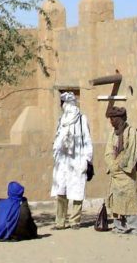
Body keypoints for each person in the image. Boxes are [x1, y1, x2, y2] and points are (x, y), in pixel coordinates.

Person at [51, 91, 93, 229]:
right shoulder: (61, 120)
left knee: (76, 190)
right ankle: (60, 221)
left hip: (77, 160)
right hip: (63, 161)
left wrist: (88, 159)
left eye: (63, 103)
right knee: (61, 191)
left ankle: (75, 221)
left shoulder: (82, 119)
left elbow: (87, 140)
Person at [104, 106, 137, 235]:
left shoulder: (131, 132)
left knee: (131, 199)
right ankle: (119, 227)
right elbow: (109, 151)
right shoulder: (112, 134)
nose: (111, 121)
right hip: (115, 174)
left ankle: (136, 227)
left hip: (126, 173)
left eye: (113, 119)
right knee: (117, 201)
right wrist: (112, 165)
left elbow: (131, 151)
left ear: (119, 119)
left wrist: (120, 165)